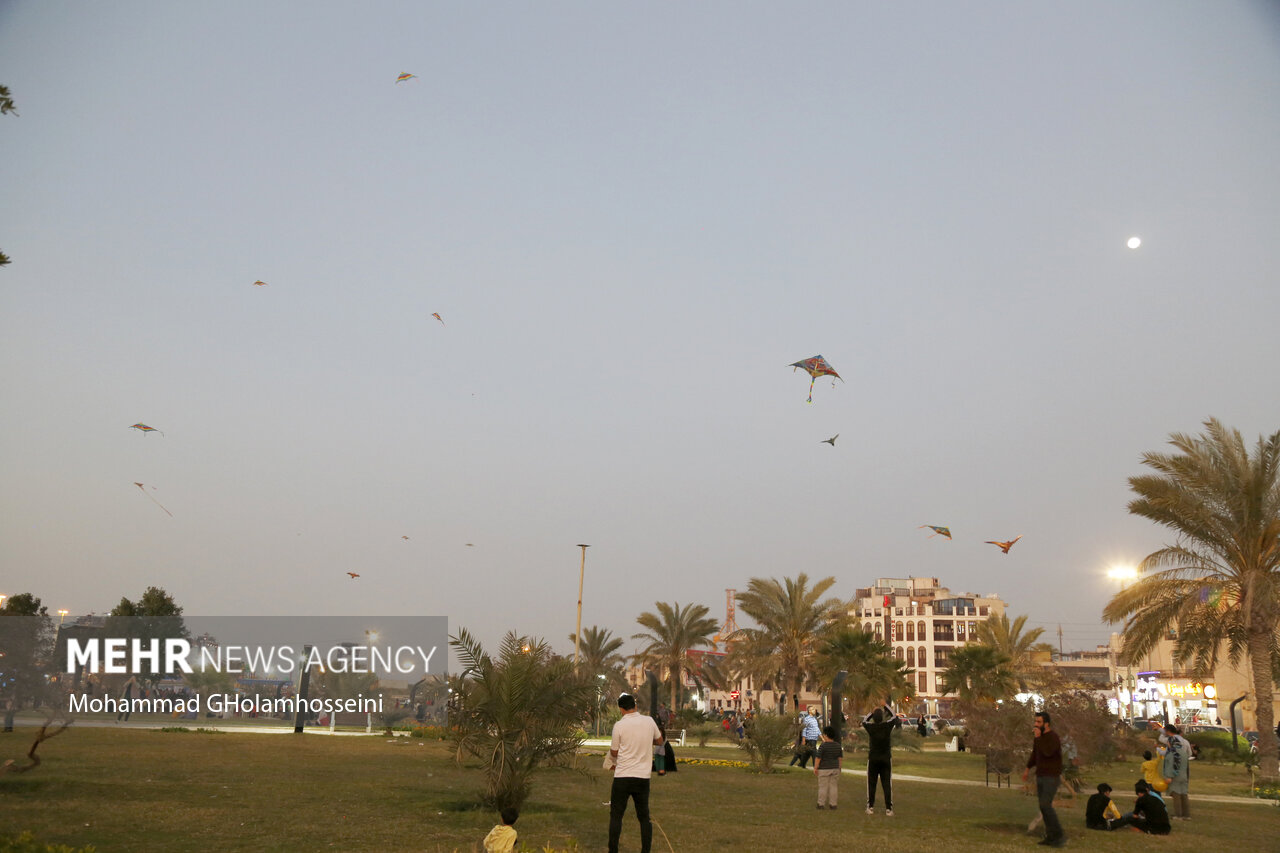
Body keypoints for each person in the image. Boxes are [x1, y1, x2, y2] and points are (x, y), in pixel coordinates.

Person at [605, 693, 663, 853]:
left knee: (616, 816)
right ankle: (645, 850)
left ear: (621, 709)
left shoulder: (619, 725)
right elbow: (659, 741)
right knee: (644, 817)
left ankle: (613, 850)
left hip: (622, 776)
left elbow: (614, 752)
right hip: (642, 778)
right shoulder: (649, 721)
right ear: (635, 706)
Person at [1022, 710, 1066, 848]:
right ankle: (1051, 836)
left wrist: (1038, 737)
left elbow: (1047, 752)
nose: (1036, 724)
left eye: (1039, 722)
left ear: (1046, 724)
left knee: (1046, 805)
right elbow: (1036, 754)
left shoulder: (1053, 737)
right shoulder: (1039, 738)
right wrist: (1028, 768)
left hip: (1051, 777)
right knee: (1042, 806)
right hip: (1041, 775)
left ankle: (1058, 835)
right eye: (1035, 721)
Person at [862, 699, 901, 816]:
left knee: (871, 783)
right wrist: (885, 706)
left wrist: (871, 712)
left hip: (873, 759)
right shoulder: (887, 726)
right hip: (885, 758)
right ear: (882, 717)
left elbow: (864, 720)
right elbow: (894, 716)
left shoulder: (871, 727)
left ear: (874, 718)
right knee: (886, 784)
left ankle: (870, 807)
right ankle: (889, 808)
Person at [1152, 720, 1191, 820]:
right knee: (1184, 794)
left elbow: (1172, 765)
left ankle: (1178, 815)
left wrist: (1169, 776)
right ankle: (1186, 815)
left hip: (1175, 776)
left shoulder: (1172, 753)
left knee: (1176, 794)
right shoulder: (1183, 752)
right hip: (1184, 775)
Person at [814, 724, 843, 809]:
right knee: (833, 786)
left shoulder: (823, 746)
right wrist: (839, 768)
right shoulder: (838, 746)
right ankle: (833, 804)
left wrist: (816, 767)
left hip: (824, 769)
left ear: (826, 735)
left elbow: (818, 757)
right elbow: (840, 758)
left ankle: (821, 803)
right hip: (835, 768)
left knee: (823, 786)